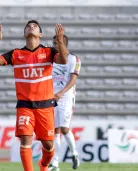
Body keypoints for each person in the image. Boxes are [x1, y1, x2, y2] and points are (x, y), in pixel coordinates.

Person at [0, 20, 68, 171]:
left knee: (49, 146)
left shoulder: (49, 52)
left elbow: (63, 60)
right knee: (25, 140)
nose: (31, 27)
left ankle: (43, 165)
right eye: (28, 26)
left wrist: (60, 41)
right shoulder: (16, 54)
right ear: (24, 34)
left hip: (45, 106)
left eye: (35, 26)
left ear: (40, 34)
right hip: (25, 106)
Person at [48, 35, 81, 171]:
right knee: (54, 131)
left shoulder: (74, 59)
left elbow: (73, 79)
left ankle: (74, 153)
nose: (54, 45)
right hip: (51, 97)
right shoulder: (51, 59)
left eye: (57, 43)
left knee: (64, 129)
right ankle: (55, 163)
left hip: (66, 98)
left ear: (63, 43)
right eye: (53, 43)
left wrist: (61, 93)